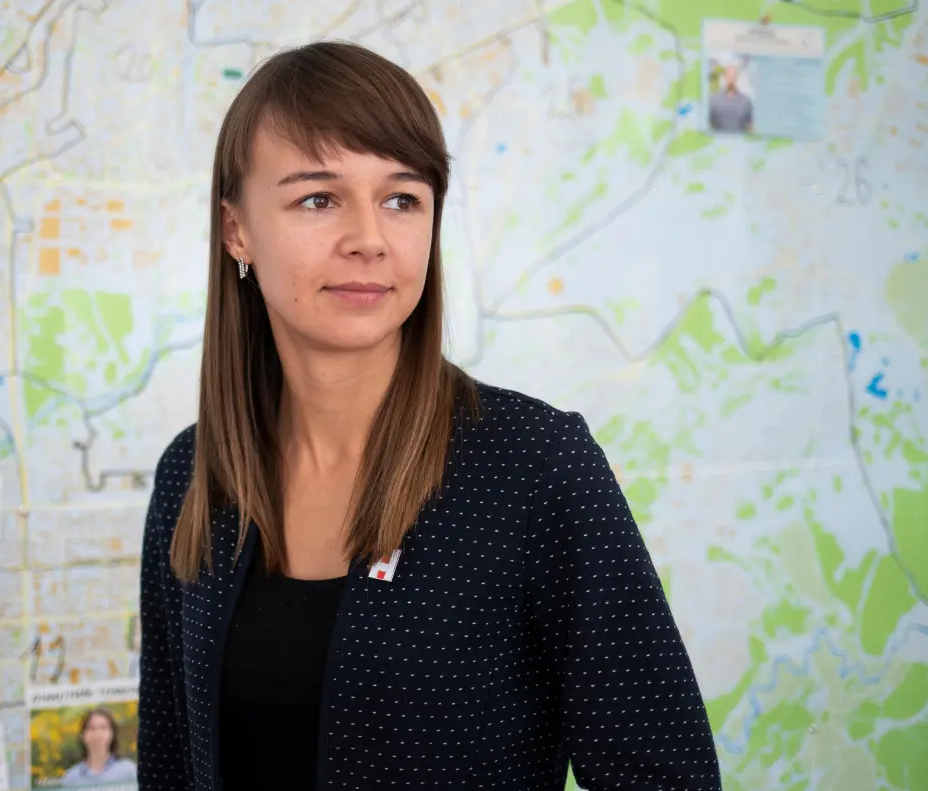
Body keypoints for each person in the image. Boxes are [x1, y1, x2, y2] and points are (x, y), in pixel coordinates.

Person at [136, 40, 722, 791]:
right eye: (318, 198)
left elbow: (663, 775)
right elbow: (169, 762)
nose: (369, 239)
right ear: (236, 230)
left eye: (401, 199)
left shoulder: (535, 466)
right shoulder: (192, 475)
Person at [61, 708, 137, 786]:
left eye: (103, 728)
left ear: (112, 734)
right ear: (82, 735)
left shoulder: (129, 771)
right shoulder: (71, 777)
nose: (97, 733)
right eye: (91, 728)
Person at [709, 62, 753, 133]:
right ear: (724, 77)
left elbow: (752, 126)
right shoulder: (714, 100)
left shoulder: (746, 102)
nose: (731, 80)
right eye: (729, 76)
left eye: (733, 76)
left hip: (740, 142)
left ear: (736, 77)